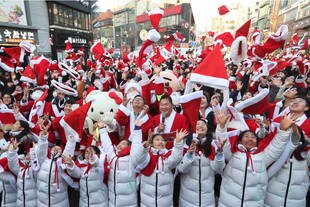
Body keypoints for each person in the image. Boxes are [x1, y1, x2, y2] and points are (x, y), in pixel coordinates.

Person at [215, 109, 295, 207]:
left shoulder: (263, 157)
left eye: (253, 137)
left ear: (257, 141)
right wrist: (222, 127)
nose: (250, 139)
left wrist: (283, 131)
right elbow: (223, 143)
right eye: (246, 136)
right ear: (239, 141)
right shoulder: (232, 155)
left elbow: (276, 146)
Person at [131, 119, 188, 207]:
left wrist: (178, 143)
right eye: (157, 139)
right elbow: (137, 158)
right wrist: (145, 146)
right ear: (152, 143)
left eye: (163, 140)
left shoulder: (168, 155)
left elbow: (175, 159)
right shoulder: (146, 156)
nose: (161, 142)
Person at [177, 119, 225, 207]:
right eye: (197, 124)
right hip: (187, 198)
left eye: (203, 124)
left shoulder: (213, 145)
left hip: (207, 198)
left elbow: (218, 170)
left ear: (207, 129)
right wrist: (189, 154)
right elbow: (181, 169)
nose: (200, 126)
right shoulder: (184, 145)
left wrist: (220, 153)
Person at [97, 119, 141, 207]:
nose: (120, 145)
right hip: (113, 202)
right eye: (119, 143)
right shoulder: (112, 157)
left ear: (129, 147)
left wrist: (137, 129)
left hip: (129, 202)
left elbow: (136, 145)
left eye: (124, 143)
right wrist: (102, 129)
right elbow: (107, 144)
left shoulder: (132, 158)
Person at [265, 126, 309, 207]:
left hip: (297, 202)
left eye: (295, 135)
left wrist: (302, 190)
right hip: (271, 200)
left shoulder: (306, 154)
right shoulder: (276, 154)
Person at [36, 126, 77, 207]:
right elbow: (41, 151)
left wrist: (71, 141)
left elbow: (68, 153)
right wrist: (43, 138)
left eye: (58, 149)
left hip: (60, 202)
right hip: (43, 203)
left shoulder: (62, 163)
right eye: (54, 148)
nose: (56, 149)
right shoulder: (44, 161)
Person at [7, 138, 39, 207]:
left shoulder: (38, 169)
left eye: (30, 151)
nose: (28, 153)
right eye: (27, 153)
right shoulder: (21, 169)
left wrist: (34, 152)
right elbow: (12, 164)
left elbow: (36, 163)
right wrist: (13, 150)